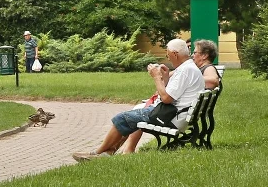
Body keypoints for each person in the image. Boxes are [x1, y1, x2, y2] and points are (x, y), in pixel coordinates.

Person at [75, 38, 205, 159]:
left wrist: (156, 78)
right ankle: (107, 152)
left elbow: (166, 99)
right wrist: (165, 78)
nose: (168, 58)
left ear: (175, 54)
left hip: (170, 117)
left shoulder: (184, 71)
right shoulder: (188, 68)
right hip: (178, 114)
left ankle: (97, 153)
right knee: (131, 117)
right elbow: (172, 94)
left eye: (168, 55)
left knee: (122, 118)